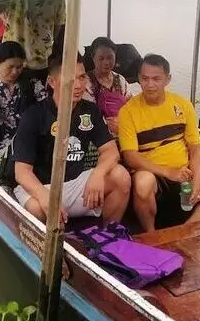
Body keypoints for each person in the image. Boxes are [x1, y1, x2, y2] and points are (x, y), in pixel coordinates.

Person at [117, 54, 200, 232]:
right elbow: (130, 156)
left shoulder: (183, 105)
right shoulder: (128, 112)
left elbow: (195, 148)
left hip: (185, 171)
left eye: (156, 79)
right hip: (155, 174)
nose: (150, 84)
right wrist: (168, 172)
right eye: (145, 78)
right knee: (143, 182)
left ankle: (185, 230)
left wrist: (197, 180)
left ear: (168, 79)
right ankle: (152, 235)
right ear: (139, 79)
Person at [8, 54, 130, 224]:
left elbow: (110, 150)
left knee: (121, 177)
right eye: (70, 80)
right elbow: (22, 172)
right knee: (37, 208)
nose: (79, 85)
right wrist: (44, 196)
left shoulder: (90, 111)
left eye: (82, 77)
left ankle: (105, 236)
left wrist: (98, 173)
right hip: (41, 186)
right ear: (52, 82)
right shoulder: (34, 115)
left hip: (76, 183)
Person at [2, 0, 66, 81]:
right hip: (39, 59)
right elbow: (58, 28)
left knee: (12, 96)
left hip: (11, 58)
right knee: (38, 95)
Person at [82, 37, 131, 135]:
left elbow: (131, 105)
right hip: (96, 132)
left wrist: (121, 121)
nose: (106, 62)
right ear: (93, 57)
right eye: (101, 58)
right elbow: (87, 113)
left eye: (110, 57)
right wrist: (107, 124)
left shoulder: (120, 79)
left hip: (122, 129)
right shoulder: (85, 81)